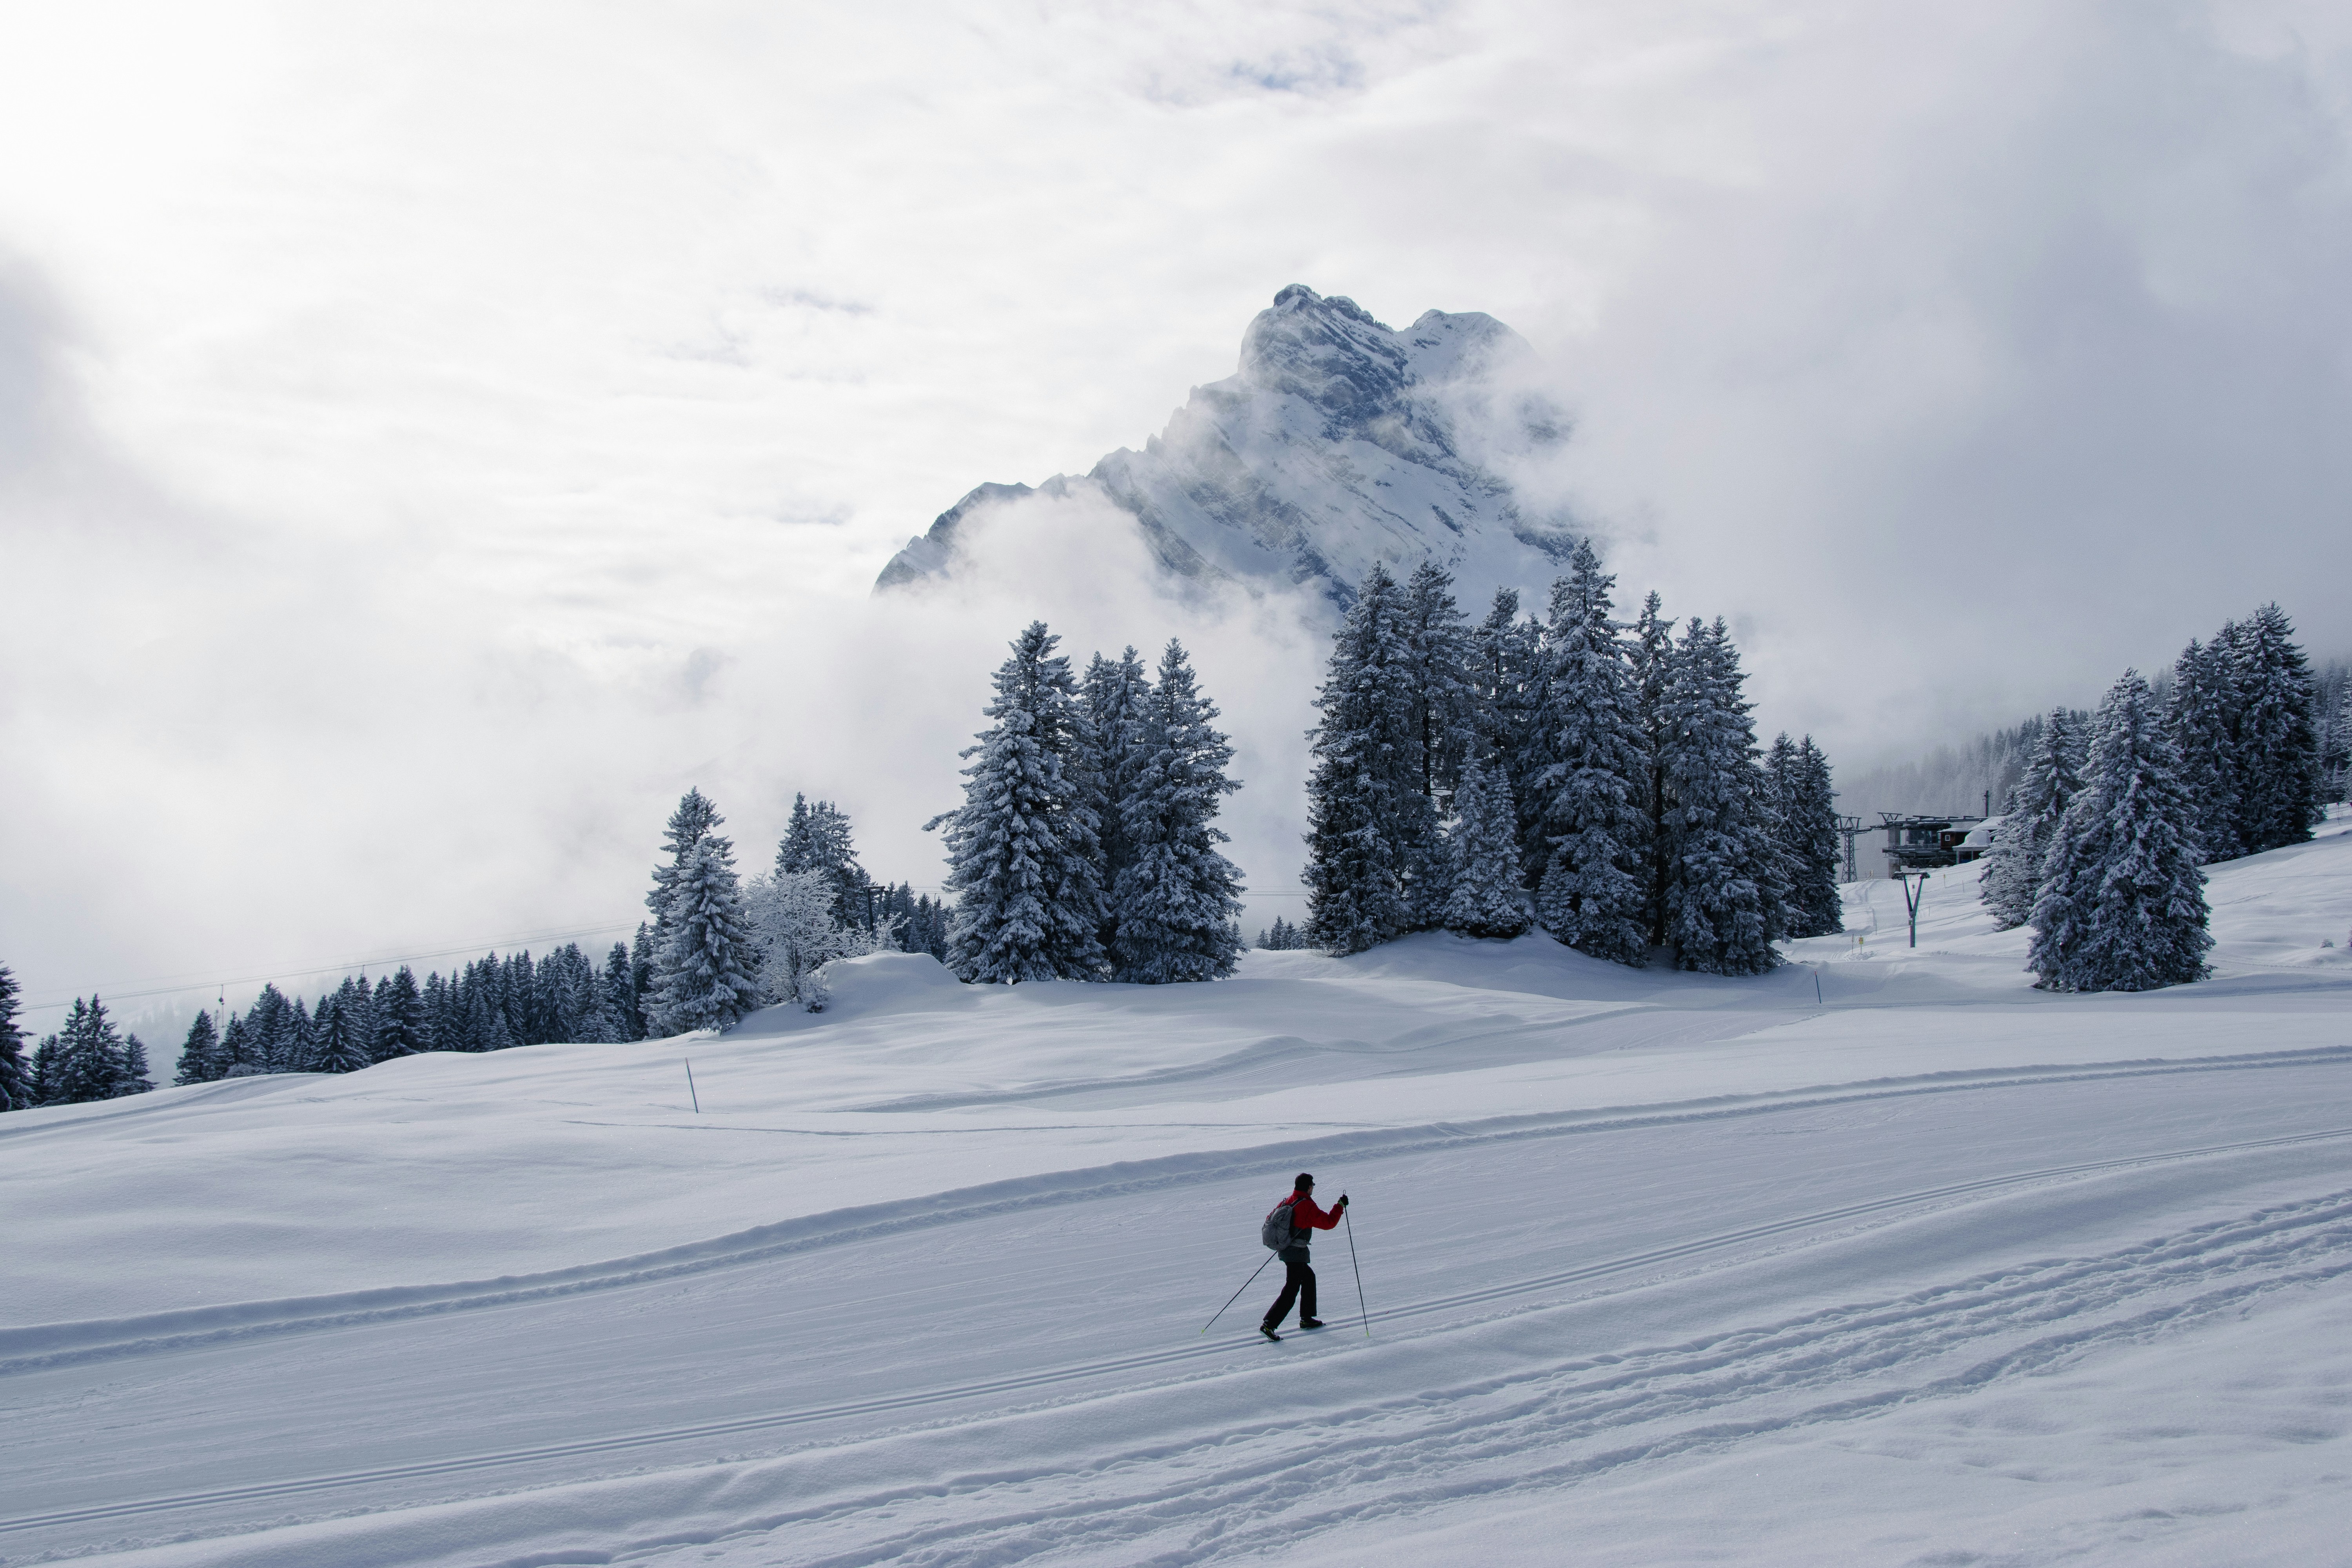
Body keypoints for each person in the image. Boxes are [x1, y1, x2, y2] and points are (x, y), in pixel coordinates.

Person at [1261, 1172, 1347, 1341]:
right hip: (1296, 1253)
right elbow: (1329, 1223)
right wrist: (1340, 1206)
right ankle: (1269, 1324)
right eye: (1313, 1186)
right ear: (1308, 1187)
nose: (1313, 1188)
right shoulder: (1306, 1205)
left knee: (1308, 1278)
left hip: (1287, 1250)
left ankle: (1306, 1319)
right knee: (1291, 1289)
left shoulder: (1288, 1201)